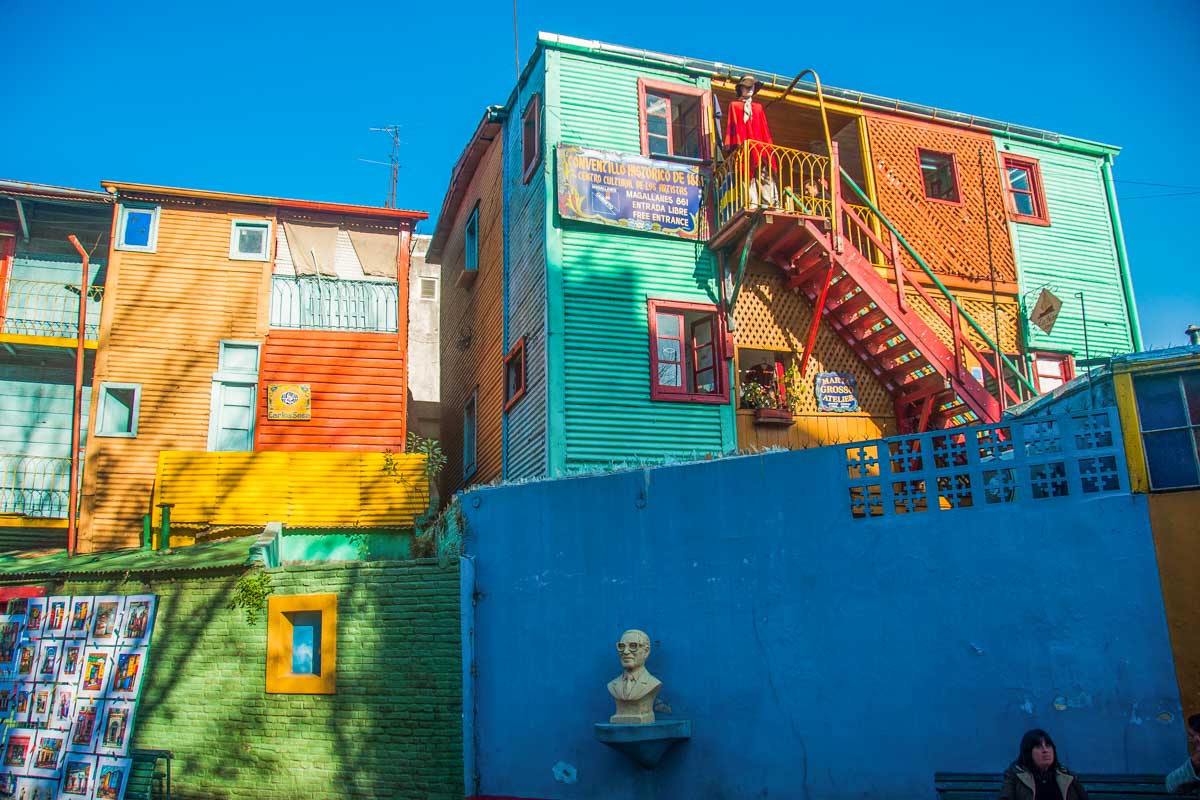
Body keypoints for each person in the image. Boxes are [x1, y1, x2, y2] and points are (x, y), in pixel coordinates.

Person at [999, 729, 1090, 800]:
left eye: (1048, 745)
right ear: (1028, 753)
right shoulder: (1015, 776)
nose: (1045, 750)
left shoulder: (1067, 775)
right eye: (1038, 746)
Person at [606, 629, 661, 724]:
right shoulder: (612, 685)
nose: (625, 651)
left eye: (633, 646)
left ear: (646, 651)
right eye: (621, 646)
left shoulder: (653, 684)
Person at [1166, 713, 1200, 794]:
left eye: (1192, 736)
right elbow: (1170, 786)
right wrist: (1193, 765)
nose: (1189, 741)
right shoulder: (1195, 763)